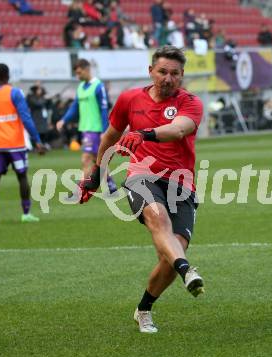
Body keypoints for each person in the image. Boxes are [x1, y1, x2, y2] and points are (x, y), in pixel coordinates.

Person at [77, 46, 205, 333]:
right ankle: (188, 271)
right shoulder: (129, 99)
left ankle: (144, 308)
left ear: (182, 76)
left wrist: (143, 133)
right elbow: (110, 136)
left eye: (174, 73)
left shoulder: (191, 103)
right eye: (162, 72)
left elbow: (179, 129)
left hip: (181, 182)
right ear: (151, 72)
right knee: (157, 218)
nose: (168, 78)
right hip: (141, 175)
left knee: (171, 254)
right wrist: (97, 175)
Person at [0, 63, 44, 225]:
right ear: (7, 76)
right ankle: (26, 213)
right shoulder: (14, 92)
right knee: (22, 176)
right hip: (15, 144)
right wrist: (37, 140)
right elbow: (26, 118)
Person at [56, 59, 117, 192]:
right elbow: (75, 106)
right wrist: (64, 120)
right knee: (97, 160)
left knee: (86, 159)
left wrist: (103, 130)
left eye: (79, 72)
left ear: (87, 69)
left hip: (95, 130)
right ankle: (111, 186)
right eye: (76, 73)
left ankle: (80, 190)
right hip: (86, 128)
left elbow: (104, 108)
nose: (78, 76)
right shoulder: (80, 87)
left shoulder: (98, 86)